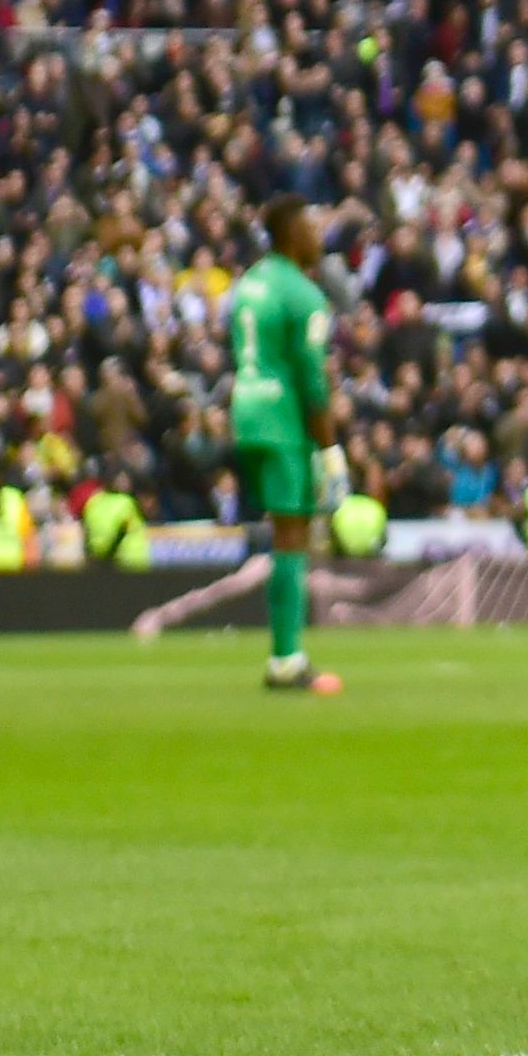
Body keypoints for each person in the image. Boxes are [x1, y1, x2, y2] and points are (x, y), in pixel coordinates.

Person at [226, 198, 343, 697]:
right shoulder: (304, 293)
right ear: (291, 232)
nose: (319, 236)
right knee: (293, 533)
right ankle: (286, 659)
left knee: (283, 531)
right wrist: (330, 449)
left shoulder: (249, 282)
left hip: (244, 408)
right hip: (281, 419)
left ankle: (285, 652)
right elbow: (313, 381)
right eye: (312, 227)